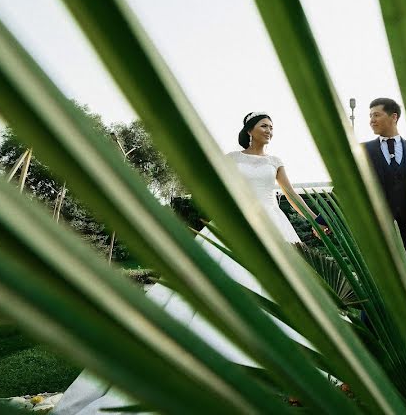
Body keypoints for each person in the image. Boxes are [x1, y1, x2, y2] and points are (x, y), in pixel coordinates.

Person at [55, 112, 312, 414]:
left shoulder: (275, 161)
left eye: (272, 126)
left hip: (273, 225)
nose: (270, 130)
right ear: (249, 130)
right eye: (264, 126)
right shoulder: (231, 159)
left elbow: (290, 194)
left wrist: (314, 219)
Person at [363, 98, 406, 293]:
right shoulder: (363, 151)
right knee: (379, 288)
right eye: (370, 116)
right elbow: (347, 186)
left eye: (376, 115)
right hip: (380, 232)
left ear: (394, 117)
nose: (371, 120)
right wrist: (322, 220)